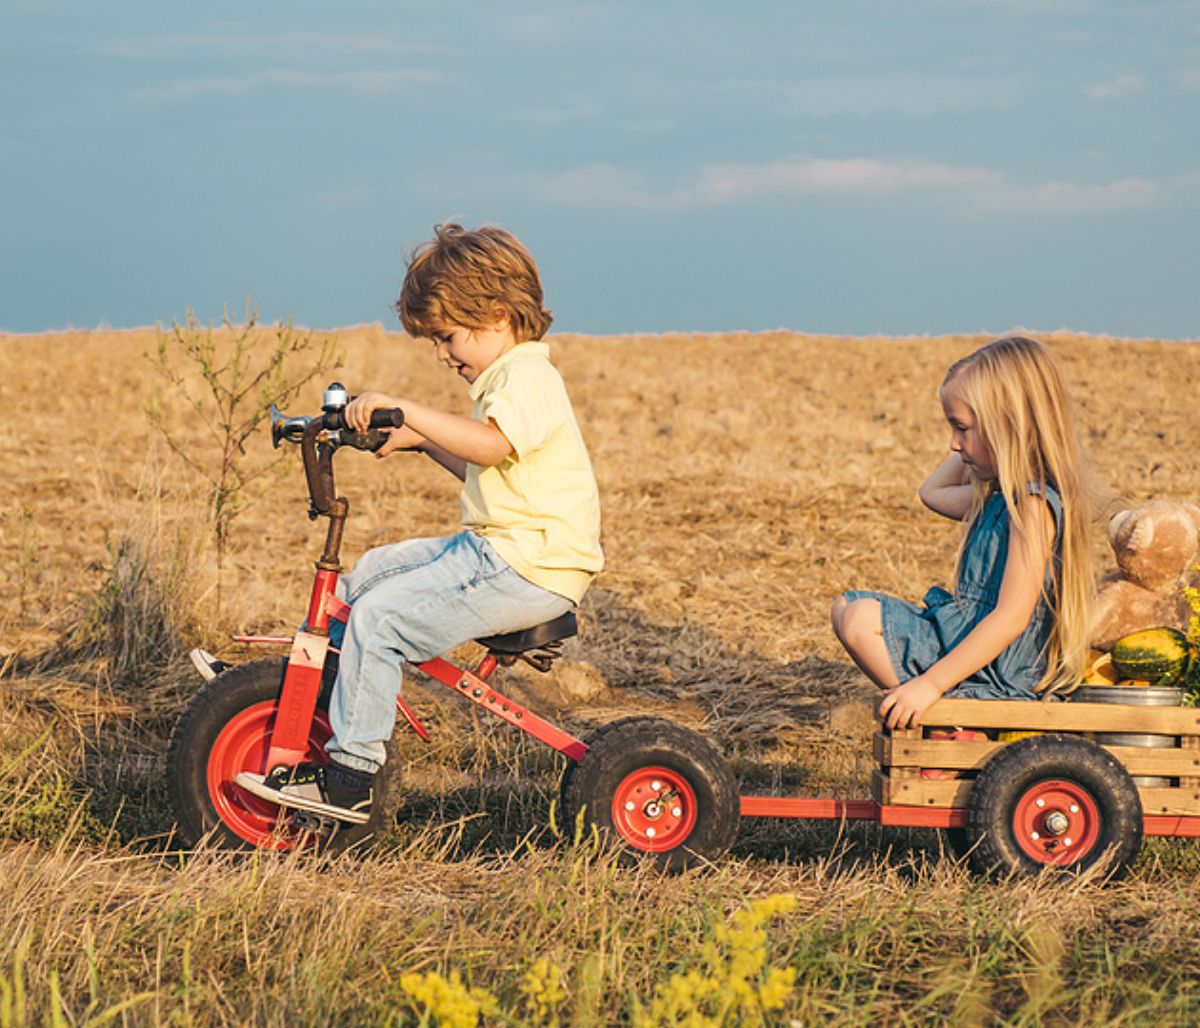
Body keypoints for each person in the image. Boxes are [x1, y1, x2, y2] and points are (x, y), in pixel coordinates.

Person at [237, 223, 604, 822]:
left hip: (529, 565)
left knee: (378, 621)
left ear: (497, 314)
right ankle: (322, 706)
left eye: (447, 336)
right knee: (366, 580)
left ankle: (350, 780)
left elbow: (489, 447)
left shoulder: (526, 377)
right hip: (501, 550)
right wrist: (416, 441)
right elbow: (489, 464)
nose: (442, 354)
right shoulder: (505, 377)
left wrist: (411, 410)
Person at [831, 335, 1096, 731]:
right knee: (845, 608)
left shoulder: (1033, 505)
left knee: (859, 619)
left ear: (1009, 425)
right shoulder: (998, 496)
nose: (954, 444)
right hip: (967, 643)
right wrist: (983, 445)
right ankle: (946, 720)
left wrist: (929, 684)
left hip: (998, 670)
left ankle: (950, 721)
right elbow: (931, 493)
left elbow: (1010, 619)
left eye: (962, 429)